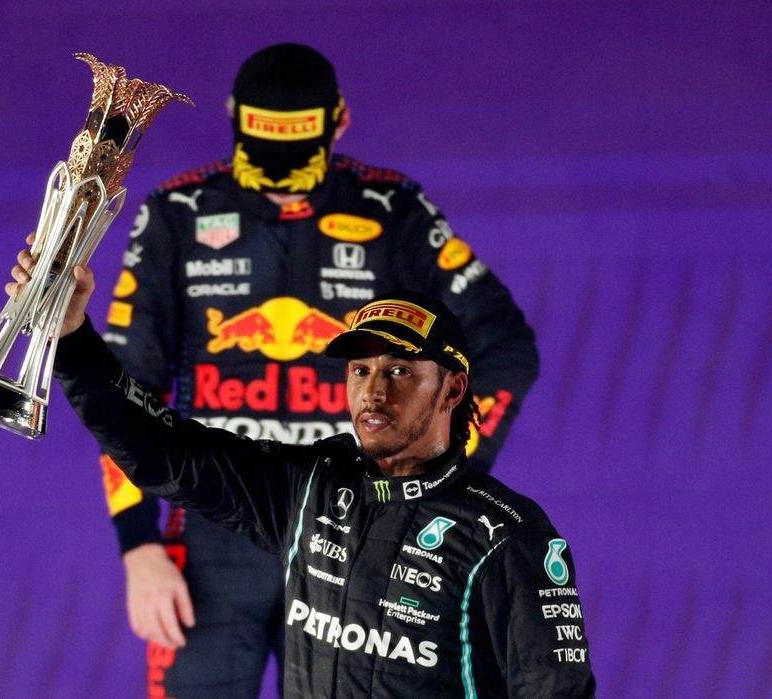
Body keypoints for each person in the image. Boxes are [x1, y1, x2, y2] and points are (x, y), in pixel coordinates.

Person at [95, 43, 539, 697]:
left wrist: (438, 475)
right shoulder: (176, 214)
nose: (280, 177)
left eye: (297, 152)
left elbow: (505, 348)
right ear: (232, 117)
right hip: (215, 524)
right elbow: (123, 388)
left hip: (356, 526)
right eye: (263, 148)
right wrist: (137, 543)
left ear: (340, 121)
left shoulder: (394, 211)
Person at [9, 248, 594, 695]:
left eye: (400, 372)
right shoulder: (313, 483)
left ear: (454, 389)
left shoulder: (508, 535)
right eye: (360, 371)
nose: (373, 392)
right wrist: (72, 338)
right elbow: (165, 453)